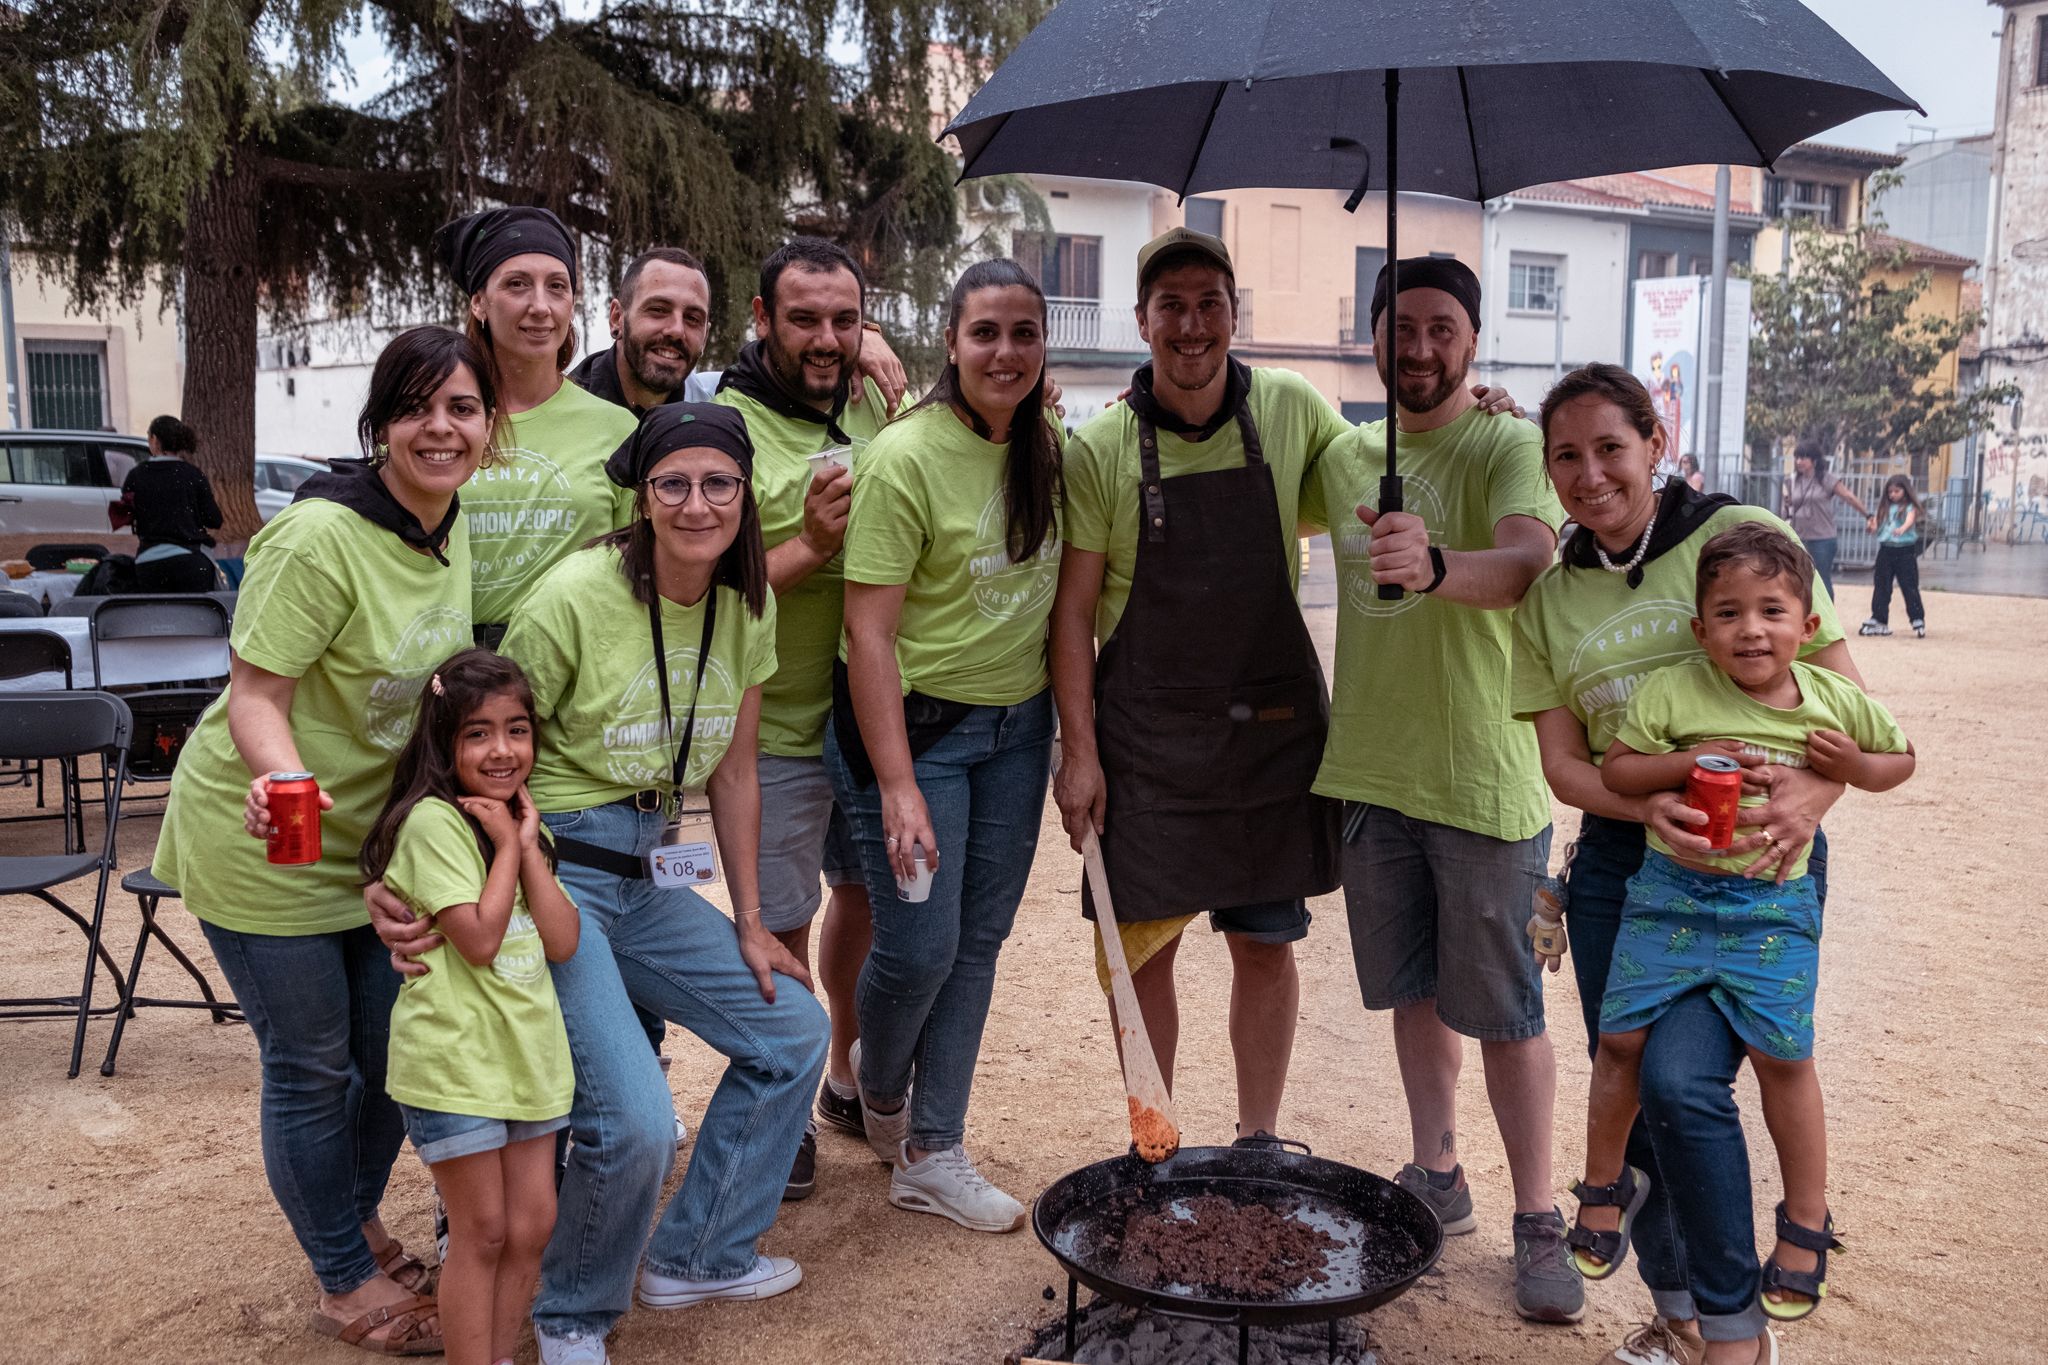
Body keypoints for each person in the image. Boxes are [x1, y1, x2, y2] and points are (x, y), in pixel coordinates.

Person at [377, 402, 825, 1365]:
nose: (697, 502)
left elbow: (735, 769)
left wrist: (751, 919)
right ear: (642, 494)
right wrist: (430, 877)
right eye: (674, 482)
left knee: (792, 1028)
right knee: (635, 1120)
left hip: (650, 869)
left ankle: (698, 1252)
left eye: (719, 484)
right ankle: (570, 1313)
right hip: (560, 874)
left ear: (747, 498)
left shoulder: (748, 604)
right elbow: (484, 749)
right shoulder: (577, 593)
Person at [1514, 363, 1866, 1365]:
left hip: (1756, 854)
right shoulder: (1549, 599)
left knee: (1679, 1083)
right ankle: (1679, 1313)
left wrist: (1810, 797)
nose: (1588, 476)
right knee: (1630, 1097)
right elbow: (1558, 765)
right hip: (1622, 866)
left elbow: (1841, 706)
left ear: (1653, 442)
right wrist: (1643, 802)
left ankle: (1731, 1327)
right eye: (1565, 458)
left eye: (1608, 448)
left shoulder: (1740, 539)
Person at [154, 325, 491, 1355]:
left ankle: (348, 1223)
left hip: (371, 847)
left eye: (462, 408)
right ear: (380, 423)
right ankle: (343, 1274)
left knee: (390, 1054)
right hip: (267, 834)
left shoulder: (448, 523)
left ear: (488, 424)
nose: (441, 428)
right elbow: (255, 697)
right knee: (309, 1063)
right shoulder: (317, 536)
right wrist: (284, 778)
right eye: (417, 407)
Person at [1298, 255, 1577, 1323]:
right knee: (1412, 993)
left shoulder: (1503, 442)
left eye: (1441, 329)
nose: (1419, 348)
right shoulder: (1341, 455)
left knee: (1505, 1008)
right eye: (1401, 326)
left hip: (1483, 779)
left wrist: (1430, 567)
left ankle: (1538, 1217)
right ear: (1374, 335)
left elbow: (1523, 561)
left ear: (1472, 341)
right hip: (1371, 772)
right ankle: (1438, 1173)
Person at [1050, 227, 1351, 1148]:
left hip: (1268, 736)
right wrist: (1080, 753)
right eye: (1171, 306)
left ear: (1233, 315)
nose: (1191, 326)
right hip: (1145, 743)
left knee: (1266, 943)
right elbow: (1072, 615)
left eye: (1209, 304)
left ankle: (1260, 1136)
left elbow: (1390, 469)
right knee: (1145, 953)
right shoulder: (1101, 447)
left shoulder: (1295, 409)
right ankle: (1156, 1139)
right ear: (1142, 321)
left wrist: (1478, 409)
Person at [1573, 523, 1912, 1338]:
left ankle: (1804, 1221)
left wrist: (1853, 766)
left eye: (1771, 610)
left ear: (1807, 625)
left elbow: (1898, 758)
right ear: (1700, 630)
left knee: (1783, 1060)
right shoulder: (1673, 691)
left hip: (1772, 910)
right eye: (1728, 612)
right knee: (1619, 1041)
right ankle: (1601, 1185)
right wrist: (1685, 764)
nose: (1751, 628)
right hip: (1667, 895)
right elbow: (1618, 768)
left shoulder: (1832, 700)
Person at [825, 258, 1062, 1234]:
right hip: (915, 736)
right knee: (919, 947)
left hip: (1016, 734)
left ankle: (933, 1148)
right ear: (950, 348)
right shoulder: (902, 456)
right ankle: (877, 1092)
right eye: (985, 334)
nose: (1004, 352)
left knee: (977, 943)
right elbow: (867, 633)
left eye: (1022, 333)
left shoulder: (1048, 450)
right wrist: (894, 785)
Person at [711, 238, 899, 1195]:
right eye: (804, 319)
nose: (825, 338)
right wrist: (808, 546)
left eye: (844, 319)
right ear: (760, 317)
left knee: (862, 902)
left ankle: (840, 1077)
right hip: (775, 722)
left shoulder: (875, 396)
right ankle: (781, 1104)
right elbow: (700, 579)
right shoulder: (726, 423)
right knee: (780, 923)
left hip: (872, 718)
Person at [363, 649, 580, 1365]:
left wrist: (525, 844)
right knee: (482, 1228)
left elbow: (562, 937)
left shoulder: (518, 825)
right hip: (457, 1059)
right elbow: (481, 940)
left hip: (527, 1056)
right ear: (444, 740)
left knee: (532, 1224)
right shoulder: (433, 824)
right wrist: (507, 848)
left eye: (517, 730)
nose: (501, 749)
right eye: (478, 733)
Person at [433, 205, 638, 645]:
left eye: (557, 287)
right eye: (517, 284)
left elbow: (635, 574)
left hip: (578, 666)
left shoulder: (616, 428)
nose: (540, 306)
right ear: (479, 302)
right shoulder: (433, 423)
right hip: (446, 666)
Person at [567, 244, 909, 416]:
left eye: (693, 318)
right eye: (657, 310)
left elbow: (781, 353)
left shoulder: (717, 400)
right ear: (616, 317)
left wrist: (862, 338)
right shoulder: (569, 407)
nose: (675, 330)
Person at [119, 414, 224, 592]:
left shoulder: (137, 475)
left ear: (154, 440)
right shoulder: (193, 475)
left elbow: (126, 513)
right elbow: (214, 519)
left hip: (148, 563)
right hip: (192, 563)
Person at [1780, 440, 1870, 595]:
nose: (1799, 462)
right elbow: (1786, 508)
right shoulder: (1792, 481)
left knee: (1821, 580)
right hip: (1798, 538)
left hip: (1823, 539)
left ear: (1814, 460)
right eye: (1797, 458)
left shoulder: (1826, 479)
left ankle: (1827, 617)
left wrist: (1868, 515)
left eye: (1803, 458)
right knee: (1799, 579)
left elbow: (1848, 497)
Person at [1862, 474, 1926, 638]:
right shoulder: (1884, 508)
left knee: (1909, 585)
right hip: (1886, 550)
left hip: (1905, 550)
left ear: (1905, 491)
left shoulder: (1910, 507)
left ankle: (1917, 617)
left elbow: (1910, 519)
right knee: (1882, 585)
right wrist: (1871, 527)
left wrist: (1903, 528)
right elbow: (1877, 524)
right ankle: (1879, 618)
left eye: (1896, 491)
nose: (1893, 495)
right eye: (1890, 492)